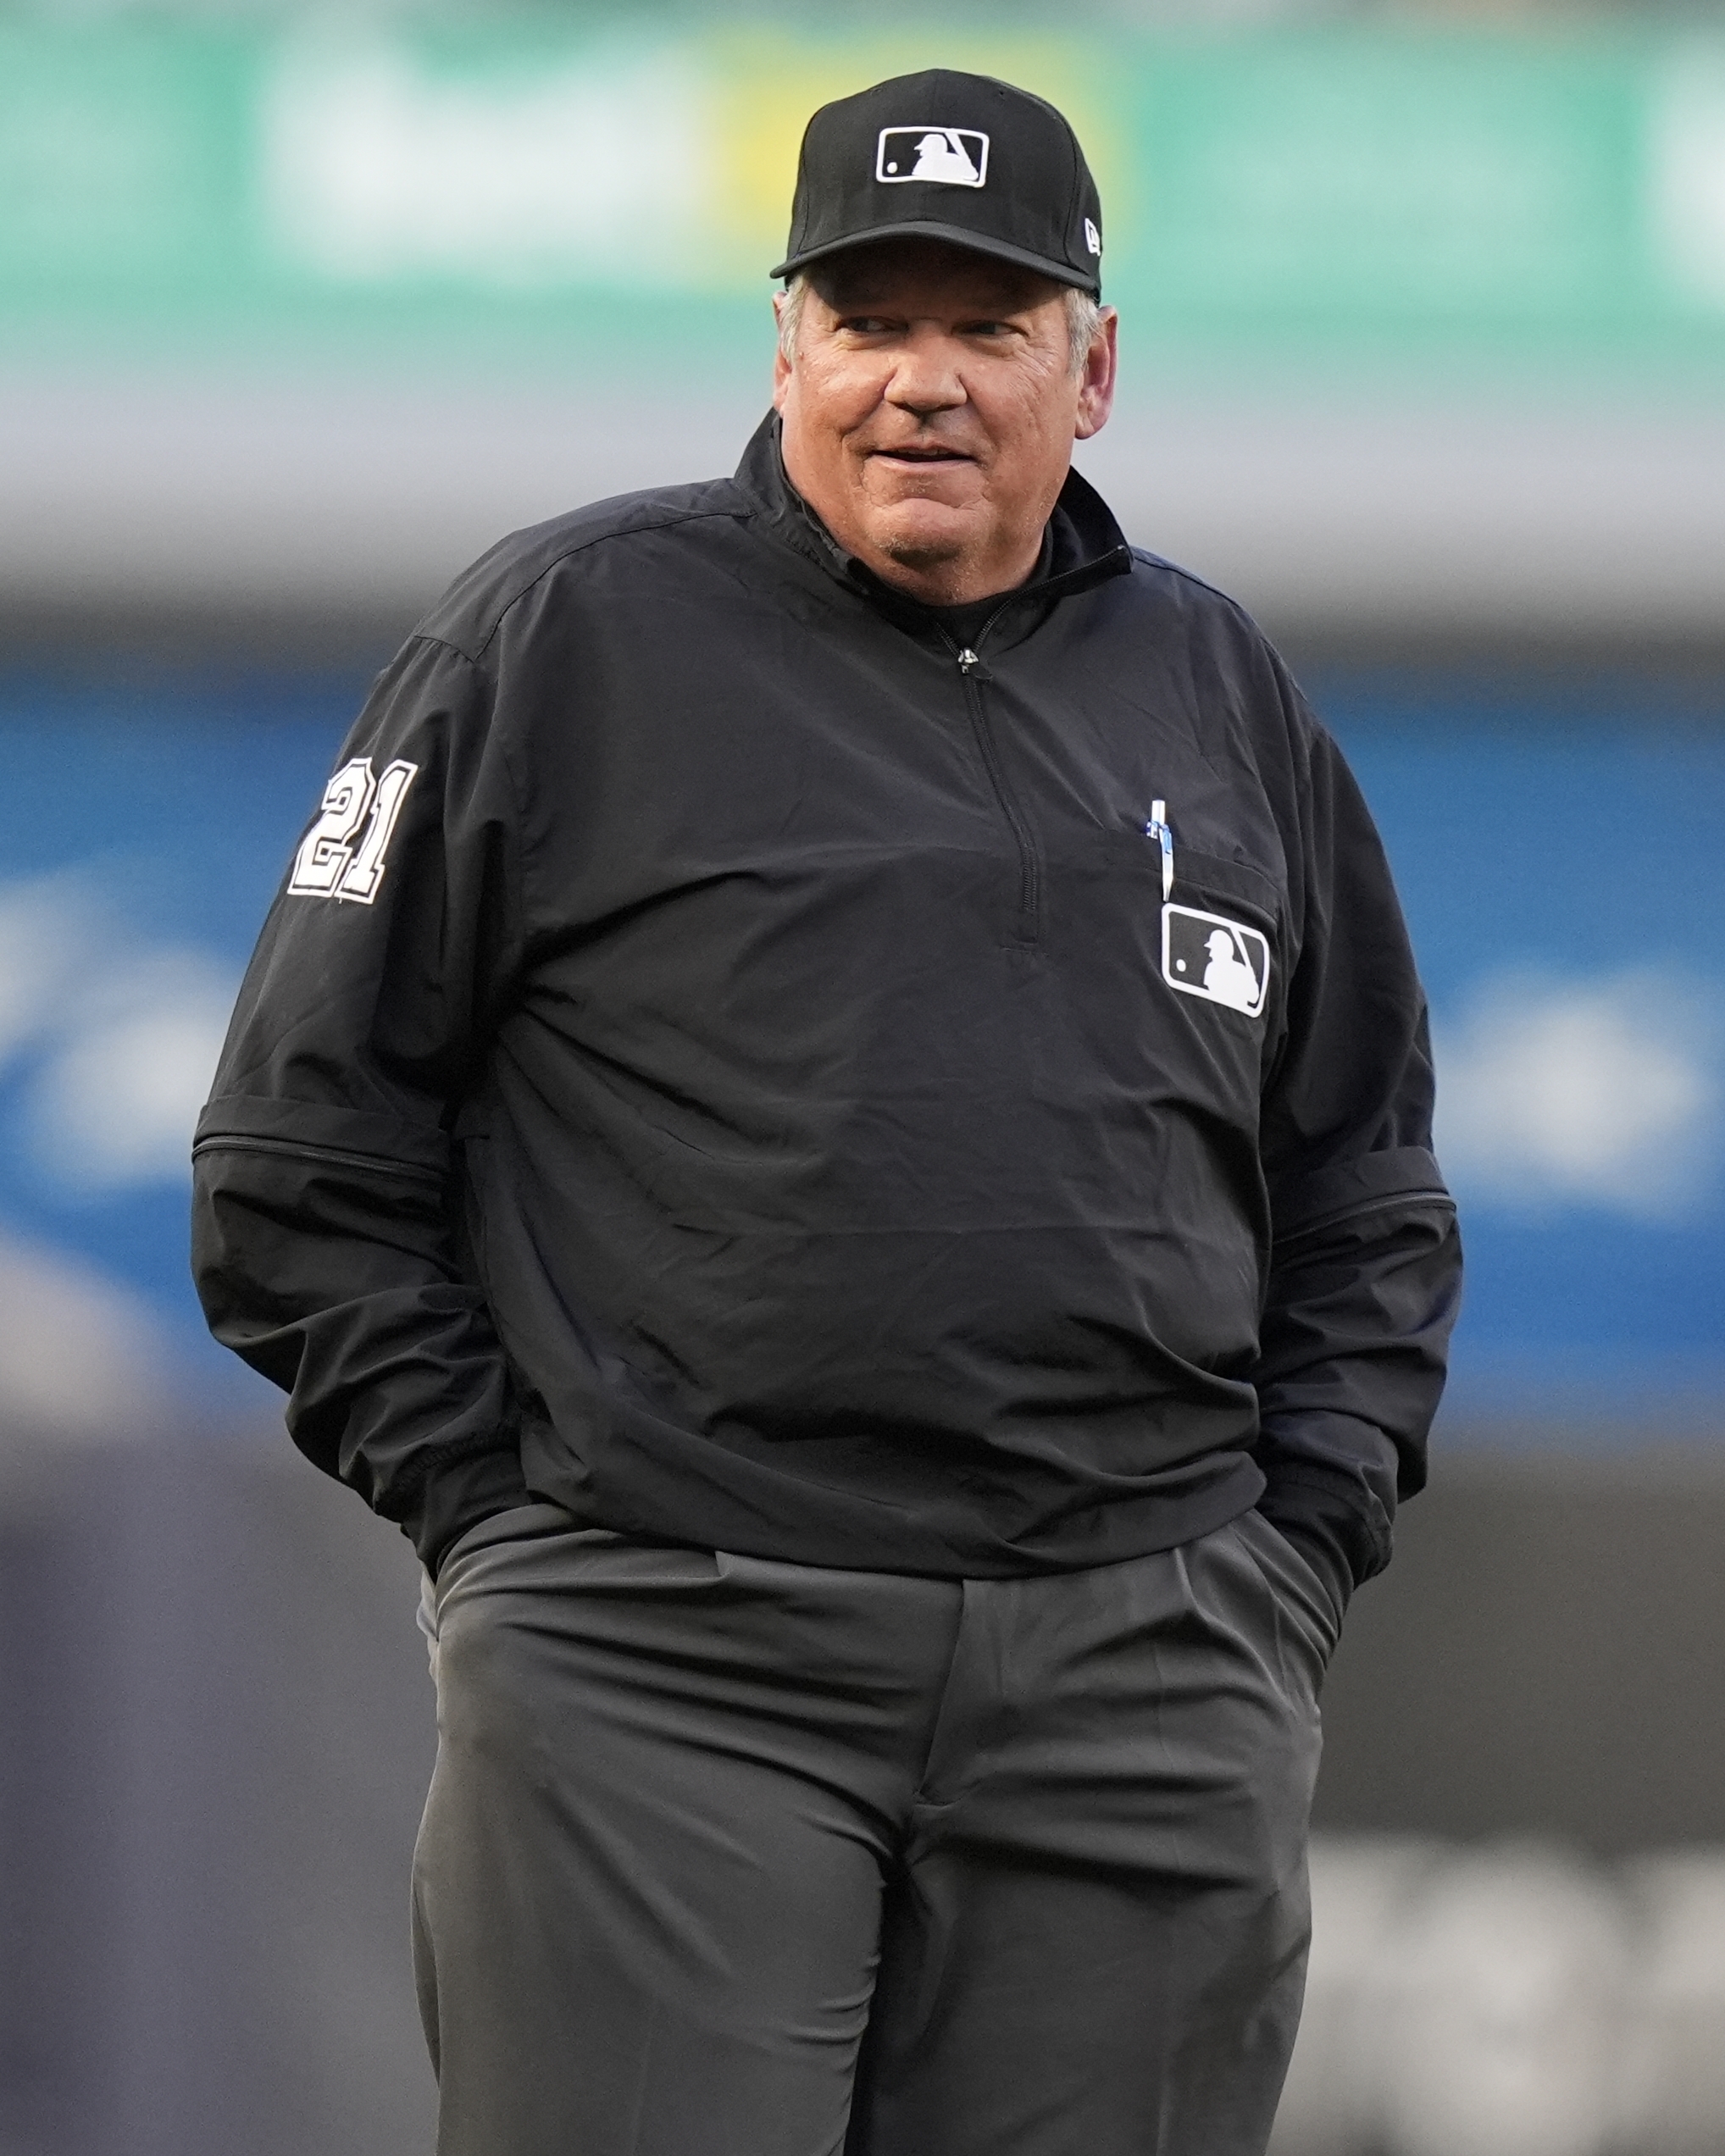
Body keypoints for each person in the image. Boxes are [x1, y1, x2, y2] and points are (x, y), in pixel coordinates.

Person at [191, 66, 1461, 2156]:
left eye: (990, 326)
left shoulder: (1217, 689)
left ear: (1097, 366)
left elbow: (1364, 1176)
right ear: (787, 343)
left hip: (1141, 1664)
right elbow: (296, 1158)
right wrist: (509, 1529)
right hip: (669, 1657)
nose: (922, 385)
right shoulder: (562, 631)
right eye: (870, 322)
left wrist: (1287, 1554)